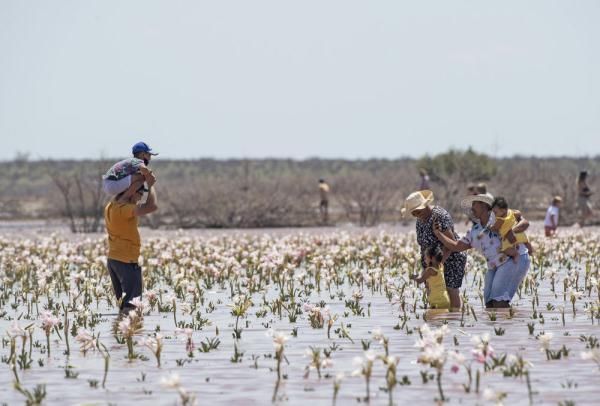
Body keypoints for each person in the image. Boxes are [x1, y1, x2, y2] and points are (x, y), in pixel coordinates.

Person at [434, 193, 531, 309]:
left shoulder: (500, 215)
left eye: (474, 204)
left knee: (499, 302)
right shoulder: (475, 230)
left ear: (484, 205)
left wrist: (512, 230)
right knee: (489, 304)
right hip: (494, 266)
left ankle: (511, 324)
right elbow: (456, 246)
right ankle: (503, 324)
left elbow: (525, 222)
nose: (471, 208)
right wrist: (438, 234)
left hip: (515, 259)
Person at [401, 190, 466, 310]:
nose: (416, 215)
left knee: (451, 290)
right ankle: (438, 321)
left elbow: (451, 242)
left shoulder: (439, 216)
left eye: (418, 211)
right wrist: (428, 266)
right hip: (431, 260)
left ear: (425, 205)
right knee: (435, 292)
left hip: (451, 257)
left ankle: (455, 319)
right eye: (413, 213)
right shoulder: (419, 221)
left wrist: (438, 264)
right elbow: (423, 244)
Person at [105, 178, 158, 314]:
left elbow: (125, 196)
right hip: (126, 261)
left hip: (114, 260)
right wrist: (150, 185)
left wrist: (137, 185)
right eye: (141, 194)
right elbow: (152, 207)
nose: (140, 199)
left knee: (123, 305)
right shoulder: (123, 209)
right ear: (133, 191)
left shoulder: (112, 205)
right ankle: (133, 334)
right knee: (131, 307)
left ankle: (122, 332)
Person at [489, 196, 534, 261]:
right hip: (519, 234)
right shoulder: (512, 212)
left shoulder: (500, 219)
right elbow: (518, 213)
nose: (495, 214)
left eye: (495, 212)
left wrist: (490, 227)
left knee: (505, 249)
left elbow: (495, 228)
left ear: (503, 210)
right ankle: (530, 251)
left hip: (507, 238)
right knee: (526, 241)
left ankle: (515, 254)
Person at [410, 245, 451, 310]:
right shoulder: (441, 266)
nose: (425, 260)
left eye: (426, 258)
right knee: (442, 319)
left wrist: (413, 277)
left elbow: (420, 281)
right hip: (445, 299)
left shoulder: (430, 270)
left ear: (432, 258)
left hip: (436, 300)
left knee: (432, 319)